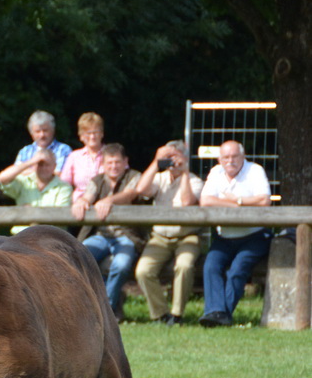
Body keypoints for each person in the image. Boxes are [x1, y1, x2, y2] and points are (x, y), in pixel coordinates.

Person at [197, 139, 272, 327]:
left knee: (237, 270)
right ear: (219, 159)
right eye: (226, 157)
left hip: (254, 236)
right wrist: (239, 203)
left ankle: (223, 315)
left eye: (234, 156)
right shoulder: (215, 172)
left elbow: (265, 201)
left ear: (243, 156)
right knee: (211, 266)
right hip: (224, 236)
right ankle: (215, 312)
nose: (230, 161)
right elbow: (205, 201)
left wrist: (237, 200)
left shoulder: (255, 171)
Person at [133, 141, 203, 326]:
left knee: (184, 266)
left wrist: (185, 171)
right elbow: (141, 190)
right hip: (160, 237)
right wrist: (156, 162)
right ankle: (160, 314)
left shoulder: (195, 180)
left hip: (187, 236)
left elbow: (188, 202)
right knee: (143, 270)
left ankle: (177, 314)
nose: (172, 162)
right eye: (169, 158)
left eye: (176, 157)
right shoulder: (160, 178)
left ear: (185, 158)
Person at [72, 143, 144, 317]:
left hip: (127, 236)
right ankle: (82, 306)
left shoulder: (134, 176)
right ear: (103, 164)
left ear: (125, 162)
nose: (113, 166)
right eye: (109, 163)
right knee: (78, 257)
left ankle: (104, 309)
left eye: (118, 162)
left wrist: (109, 200)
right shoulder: (97, 180)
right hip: (100, 236)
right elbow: (88, 196)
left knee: (121, 264)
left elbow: (131, 194)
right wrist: (82, 201)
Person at [0, 145, 74, 232]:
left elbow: (60, 215)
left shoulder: (64, 187)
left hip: (51, 236)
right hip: (21, 236)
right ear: (33, 165)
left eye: (47, 164)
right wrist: (31, 162)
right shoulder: (24, 182)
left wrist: (31, 212)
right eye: (39, 164)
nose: (43, 168)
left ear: (54, 166)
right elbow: (2, 178)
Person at [59, 112, 107, 197]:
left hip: (106, 203)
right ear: (81, 136)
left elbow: (124, 180)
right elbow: (63, 185)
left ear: (102, 134)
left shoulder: (112, 154)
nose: (92, 136)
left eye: (95, 132)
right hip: (79, 204)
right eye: (88, 133)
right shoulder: (74, 157)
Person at [11, 110, 73, 176]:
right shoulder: (25, 151)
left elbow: (61, 174)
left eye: (45, 130)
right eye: (37, 131)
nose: (42, 135)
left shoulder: (63, 150)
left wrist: (28, 172)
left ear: (53, 130)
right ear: (31, 134)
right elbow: (15, 174)